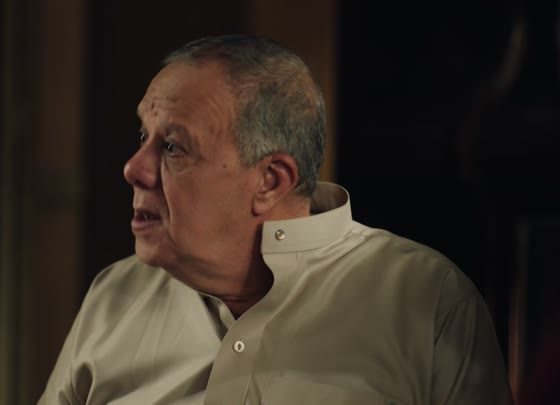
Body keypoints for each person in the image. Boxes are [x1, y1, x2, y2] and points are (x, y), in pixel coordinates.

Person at [39, 35, 512, 405]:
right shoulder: (114, 295)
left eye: (172, 147)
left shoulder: (429, 301)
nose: (133, 168)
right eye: (144, 135)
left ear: (270, 181)